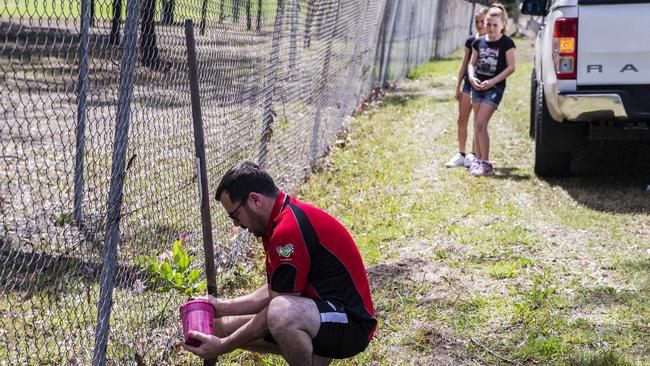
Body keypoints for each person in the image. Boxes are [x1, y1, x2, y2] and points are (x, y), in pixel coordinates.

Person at [183, 162, 377, 365]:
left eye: (234, 215)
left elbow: (279, 305)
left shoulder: (288, 229)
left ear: (255, 199)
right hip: (319, 315)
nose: (236, 224)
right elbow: (274, 291)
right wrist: (221, 307)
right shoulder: (276, 223)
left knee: (281, 313)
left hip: (352, 324)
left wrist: (225, 345)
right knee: (220, 325)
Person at [467, 3, 516, 176]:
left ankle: (486, 163)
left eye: (495, 25)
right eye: (488, 24)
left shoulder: (507, 43)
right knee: (477, 125)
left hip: (494, 88)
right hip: (477, 87)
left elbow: (511, 67)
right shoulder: (478, 42)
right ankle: (478, 161)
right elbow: (471, 64)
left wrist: (492, 81)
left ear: (502, 25)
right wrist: (472, 78)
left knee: (481, 123)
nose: (491, 28)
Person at [445, 8, 489, 169]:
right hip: (467, 85)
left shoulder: (492, 42)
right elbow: (464, 63)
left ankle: (473, 155)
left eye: (482, 21)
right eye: (476, 21)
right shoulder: (470, 41)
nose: (479, 24)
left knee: (478, 122)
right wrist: (457, 86)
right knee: (461, 119)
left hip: (482, 86)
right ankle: (461, 154)